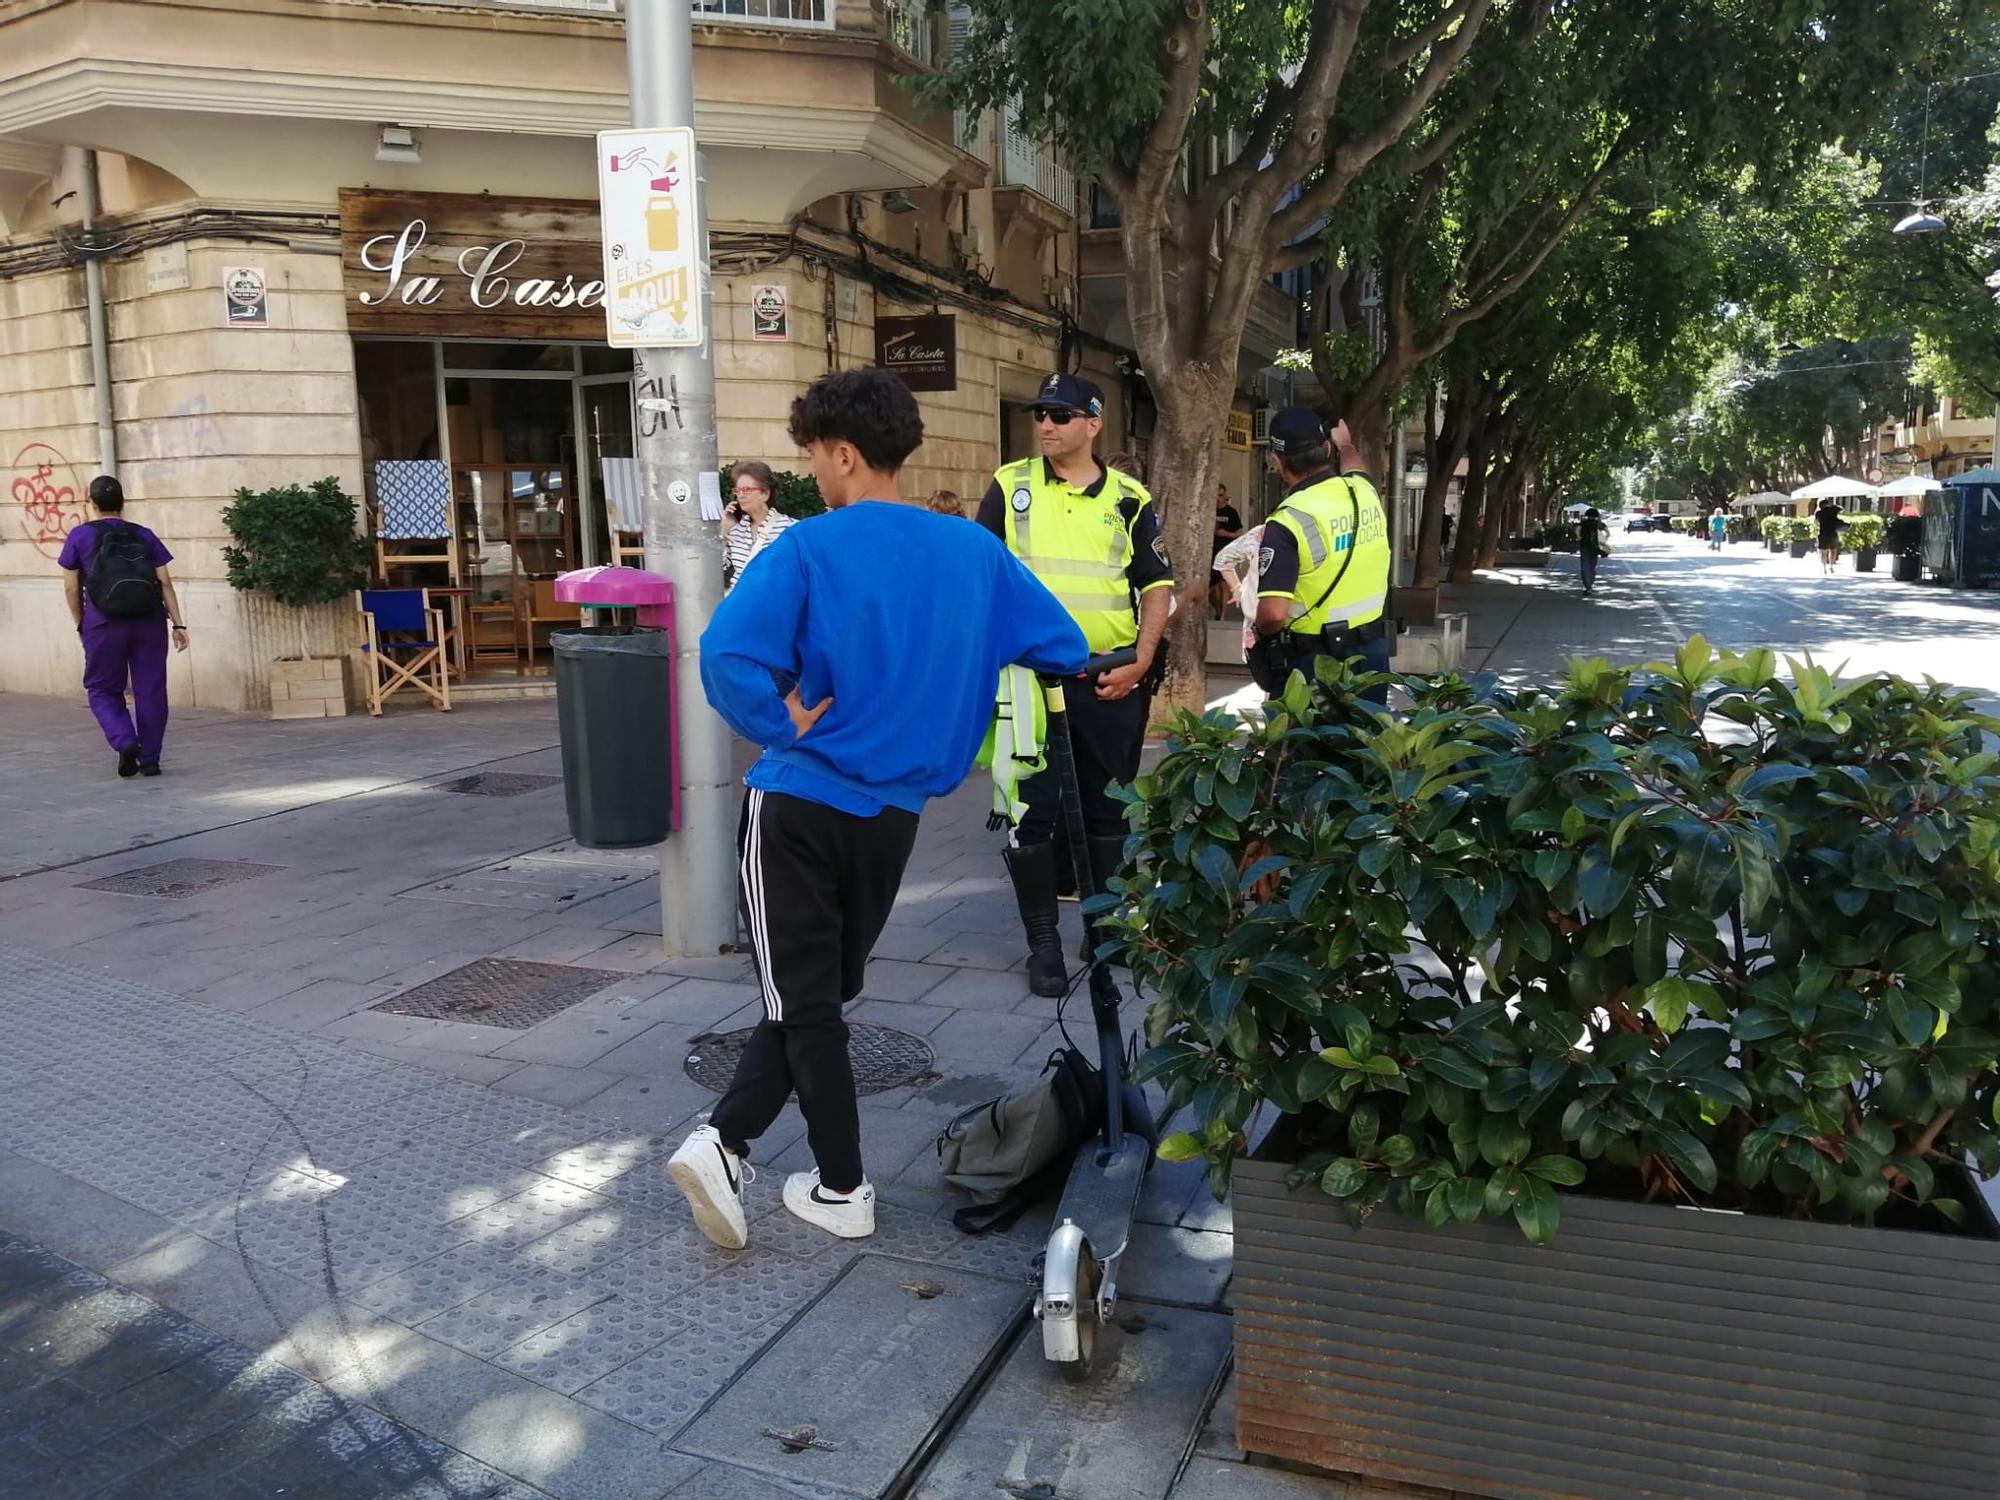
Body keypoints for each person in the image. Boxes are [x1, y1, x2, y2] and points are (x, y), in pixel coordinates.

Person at [668, 370, 1085, 1249]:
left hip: (800, 802)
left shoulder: (809, 549)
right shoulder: (972, 551)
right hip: (893, 820)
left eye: (814, 457)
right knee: (821, 993)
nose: (813, 475)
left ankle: (837, 1186)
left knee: (805, 999)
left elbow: (726, 656)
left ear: (844, 453)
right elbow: (1063, 642)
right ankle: (727, 1147)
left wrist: (771, 715)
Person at [978, 372, 1174, 999]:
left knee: (1107, 808)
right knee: (1031, 813)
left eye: (1061, 415)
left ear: (1093, 425)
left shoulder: (1129, 497)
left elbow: (1156, 585)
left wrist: (1142, 660)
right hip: (1029, 682)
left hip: (1108, 677)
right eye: (1041, 413)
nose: (1046, 425)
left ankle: (1103, 928)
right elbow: (979, 576)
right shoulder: (1010, 487)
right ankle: (1042, 945)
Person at [1249, 409, 1392, 705]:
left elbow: (1274, 614)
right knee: (1365, 747)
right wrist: (1346, 444)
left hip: (1312, 665)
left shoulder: (1287, 521)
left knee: (1301, 749)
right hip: (1372, 658)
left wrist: (1258, 631)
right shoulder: (1362, 492)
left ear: (1277, 460)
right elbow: (1355, 467)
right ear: (1327, 448)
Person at [58, 475, 188, 778]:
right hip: (149, 621)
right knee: (151, 690)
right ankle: (151, 759)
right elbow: (165, 582)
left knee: (102, 688)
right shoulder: (144, 534)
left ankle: (125, 740)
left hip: (103, 623)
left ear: (90, 502)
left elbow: (70, 588)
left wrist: (81, 622)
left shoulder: (80, 536)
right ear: (123, 502)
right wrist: (179, 624)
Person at [719, 461, 794, 593]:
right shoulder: (736, 529)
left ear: (765, 494)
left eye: (747, 490)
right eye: (738, 490)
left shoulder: (789, 528)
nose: (741, 495)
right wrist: (724, 531)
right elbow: (720, 567)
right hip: (738, 602)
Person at [1210, 482, 1245, 613]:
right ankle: (1217, 609)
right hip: (1211, 551)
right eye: (1216, 495)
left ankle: (1222, 613)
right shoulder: (1209, 510)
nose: (1218, 498)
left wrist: (1226, 533)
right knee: (1211, 586)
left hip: (1225, 551)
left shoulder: (1231, 512)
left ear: (1225, 495)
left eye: (1220, 495)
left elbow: (1239, 533)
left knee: (1224, 584)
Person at [1578, 507, 1607, 593]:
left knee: (1584, 566)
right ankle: (1590, 583)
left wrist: (1579, 537)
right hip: (1595, 548)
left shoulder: (1584, 523)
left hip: (1584, 546)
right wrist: (1604, 540)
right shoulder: (1599, 524)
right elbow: (1608, 533)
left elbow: (1577, 530)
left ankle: (1587, 586)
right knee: (1592, 566)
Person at [1815, 499, 1845, 575]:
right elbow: (1841, 509)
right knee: (1833, 550)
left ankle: (1824, 567)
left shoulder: (1819, 513)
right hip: (1832, 533)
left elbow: (1815, 522)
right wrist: (1833, 506)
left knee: (1823, 552)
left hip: (1823, 534)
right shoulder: (1833, 510)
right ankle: (1831, 566)